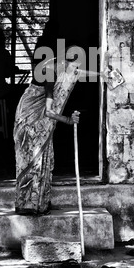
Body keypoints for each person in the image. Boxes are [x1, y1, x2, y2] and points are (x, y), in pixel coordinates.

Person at [13, 29, 82, 215]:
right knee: (31, 158)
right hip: (29, 119)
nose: (76, 71)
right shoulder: (50, 72)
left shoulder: (61, 66)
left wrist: (103, 75)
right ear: (66, 61)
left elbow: (82, 71)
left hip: (40, 117)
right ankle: (27, 205)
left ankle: (40, 203)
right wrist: (68, 120)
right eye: (75, 66)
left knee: (45, 157)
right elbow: (49, 111)